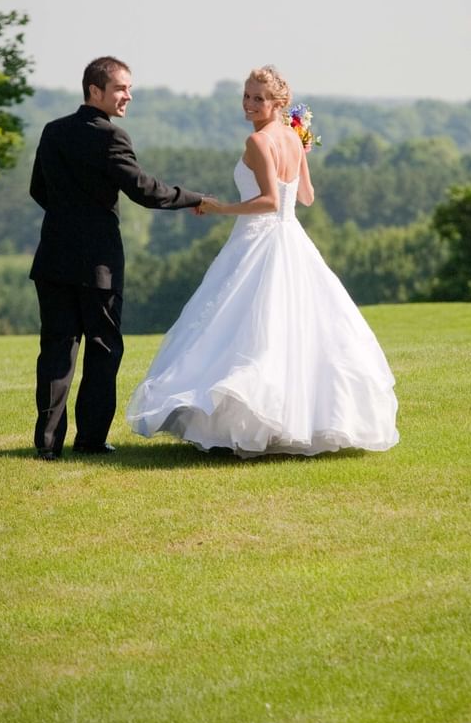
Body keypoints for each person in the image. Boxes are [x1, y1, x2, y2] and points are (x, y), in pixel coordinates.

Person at [127, 65, 399, 457]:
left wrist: (220, 208)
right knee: (285, 329)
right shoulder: (292, 136)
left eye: (259, 98)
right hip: (292, 239)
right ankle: (284, 421)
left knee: (245, 328)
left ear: (277, 103)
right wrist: (302, 154)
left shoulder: (259, 143)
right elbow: (304, 197)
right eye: (247, 95)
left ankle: (251, 421)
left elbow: (271, 201)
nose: (250, 104)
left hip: (260, 240)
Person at [29, 56, 203, 460]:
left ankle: (47, 444)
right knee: (104, 350)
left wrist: (68, 217)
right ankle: (89, 440)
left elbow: (39, 189)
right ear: (95, 91)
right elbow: (145, 190)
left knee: (57, 350)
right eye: (121, 88)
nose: (128, 96)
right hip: (98, 266)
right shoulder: (112, 137)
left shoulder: (53, 131)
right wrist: (196, 198)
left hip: (53, 258)